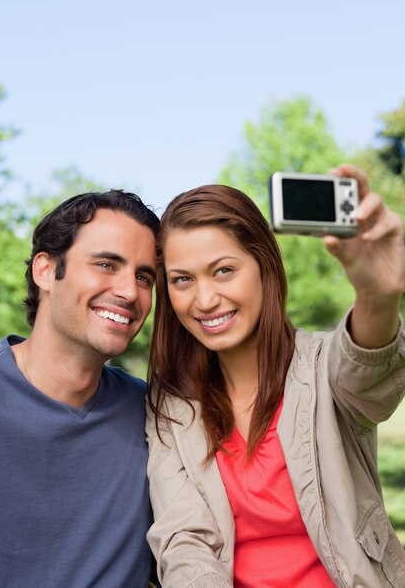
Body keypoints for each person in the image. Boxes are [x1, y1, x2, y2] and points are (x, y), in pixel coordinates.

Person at [146, 165, 405, 588]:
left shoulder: (323, 365)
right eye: (182, 280)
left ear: (264, 267)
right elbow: (184, 541)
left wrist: (377, 296)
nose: (206, 299)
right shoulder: (171, 406)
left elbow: (368, 372)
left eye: (224, 270)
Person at [0, 189, 160, 587]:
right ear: (46, 270)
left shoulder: (156, 415)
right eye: (106, 264)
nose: (130, 292)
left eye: (144, 277)